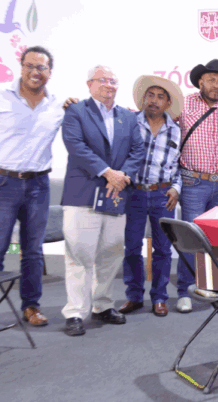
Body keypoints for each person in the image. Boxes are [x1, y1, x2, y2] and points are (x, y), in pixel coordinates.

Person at [0, 46, 63, 334]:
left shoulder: (56, 104)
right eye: (30, 65)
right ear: (21, 67)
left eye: (41, 67)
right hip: (1, 184)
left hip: (38, 185)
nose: (35, 72)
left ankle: (31, 306)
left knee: (33, 250)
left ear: (49, 72)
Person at [60, 65, 145, 336]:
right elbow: (75, 145)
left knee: (110, 251)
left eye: (113, 81)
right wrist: (107, 172)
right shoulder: (76, 111)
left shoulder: (128, 117)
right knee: (79, 254)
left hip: (116, 194)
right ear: (89, 84)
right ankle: (75, 311)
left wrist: (122, 176)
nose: (109, 85)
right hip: (83, 193)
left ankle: (103, 305)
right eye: (103, 80)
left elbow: (137, 149)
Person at [176, 59, 218, 313]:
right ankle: (184, 291)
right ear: (200, 81)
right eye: (212, 79)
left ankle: (213, 287)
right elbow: (154, 117)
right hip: (192, 183)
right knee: (190, 239)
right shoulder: (183, 104)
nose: (216, 85)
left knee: (217, 241)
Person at [118, 75, 184, 318]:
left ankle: (159, 297)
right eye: (150, 95)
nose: (154, 101)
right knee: (132, 248)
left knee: (163, 250)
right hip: (133, 194)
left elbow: (179, 167)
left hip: (162, 196)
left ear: (168, 103)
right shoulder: (128, 123)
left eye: (160, 97)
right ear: (143, 99)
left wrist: (176, 188)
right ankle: (134, 296)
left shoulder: (176, 131)